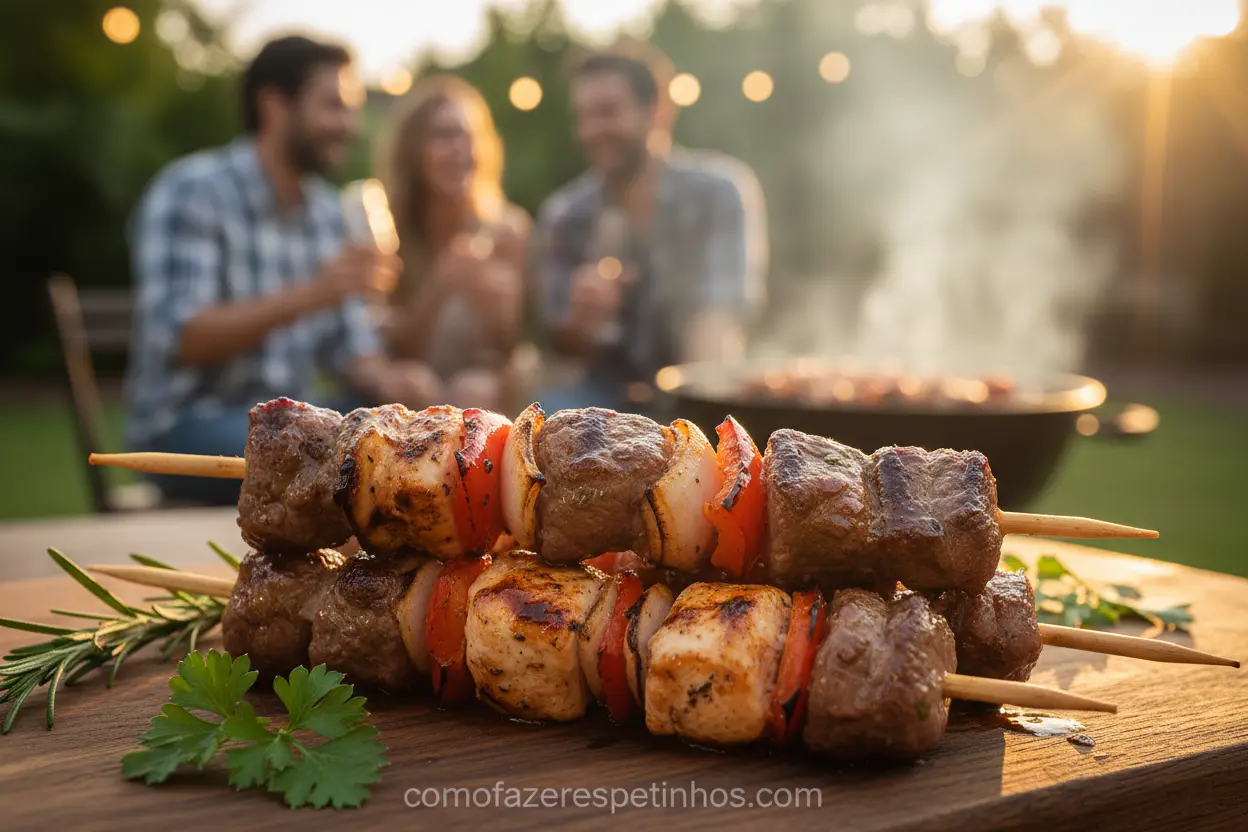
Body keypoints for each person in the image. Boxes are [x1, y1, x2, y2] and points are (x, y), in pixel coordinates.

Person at [126, 36, 436, 505]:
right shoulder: (193, 192)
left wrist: (393, 382)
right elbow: (182, 337)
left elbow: (351, 351)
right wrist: (312, 294)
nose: (349, 125)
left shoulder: (329, 212)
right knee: (346, 461)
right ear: (273, 104)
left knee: (415, 441)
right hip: (188, 424)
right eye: (333, 106)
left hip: (299, 426)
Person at [533, 46, 767, 413]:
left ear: (658, 111)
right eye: (583, 116)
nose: (591, 131)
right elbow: (559, 342)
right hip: (602, 398)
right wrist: (581, 321)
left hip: (696, 383)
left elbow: (719, 314)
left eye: (607, 112)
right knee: (549, 413)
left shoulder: (718, 192)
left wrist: (691, 410)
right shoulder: (566, 214)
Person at [377, 75, 529, 411]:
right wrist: (441, 283)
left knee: (470, 393)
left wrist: (496, 305)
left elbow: (519, 347)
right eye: (444, 136)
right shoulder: (390, 231)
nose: (461, 150)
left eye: (469, 136)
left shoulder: (508, 229)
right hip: (414, 391)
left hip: (483, 393)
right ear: (413, 151)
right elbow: (393, 350)